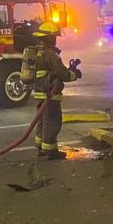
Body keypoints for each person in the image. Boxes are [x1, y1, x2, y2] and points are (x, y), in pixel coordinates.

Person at [31, 22, 80, 159]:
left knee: (43, 121)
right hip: (50, 93)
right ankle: (50, 150)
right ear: (51, 38)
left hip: (41, 93)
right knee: (53, 121)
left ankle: (41, 147)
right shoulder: (51, 54)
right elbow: (61, 74)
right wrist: (74, 74)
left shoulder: (37, 52)